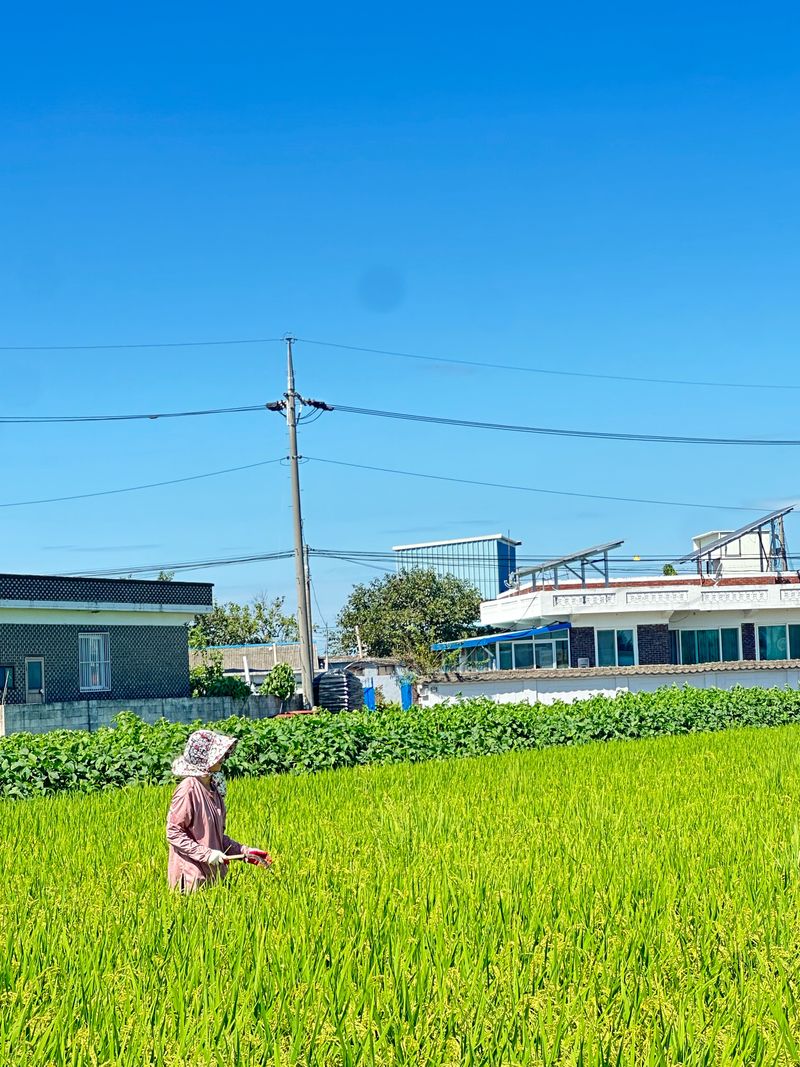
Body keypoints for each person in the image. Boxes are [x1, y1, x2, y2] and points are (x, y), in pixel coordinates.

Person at [166, 729, 271, 892]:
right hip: (191, 881)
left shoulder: (213, 789)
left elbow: (215, 837)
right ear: (203, 757)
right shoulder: (188, 789)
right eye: (217, 754)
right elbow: (174, 832)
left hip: (213, 879)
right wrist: (206, 854)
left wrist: (244, 852)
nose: (222, 757)